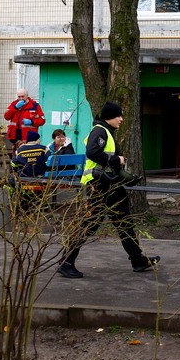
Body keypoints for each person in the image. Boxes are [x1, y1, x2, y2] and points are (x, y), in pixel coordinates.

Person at [58, 102, 159, 279]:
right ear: (108, 117)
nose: (121, 119)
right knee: (90, 224)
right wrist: (116, 159)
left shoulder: (107, 132)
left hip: (110, 184)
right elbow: (92, 152)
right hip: (98, 185)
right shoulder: (100, 130)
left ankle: (137, 260)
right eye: (118, 115)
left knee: (124, 221)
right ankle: (66, 262)